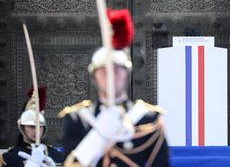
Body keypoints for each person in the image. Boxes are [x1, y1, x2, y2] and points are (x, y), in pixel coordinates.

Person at [59, 9, 170, 167]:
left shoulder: (148, 119)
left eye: (117, 70)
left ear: (126, 74)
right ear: (94, 76)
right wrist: (98, 134)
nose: (111, 76)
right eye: (104, 71)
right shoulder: (79, 119)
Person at [0, 87, 64, 167]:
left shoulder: (57, 155)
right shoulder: (10, 157)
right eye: (31, 127)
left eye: (40, 126)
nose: (36, 131)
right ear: (22, 128)